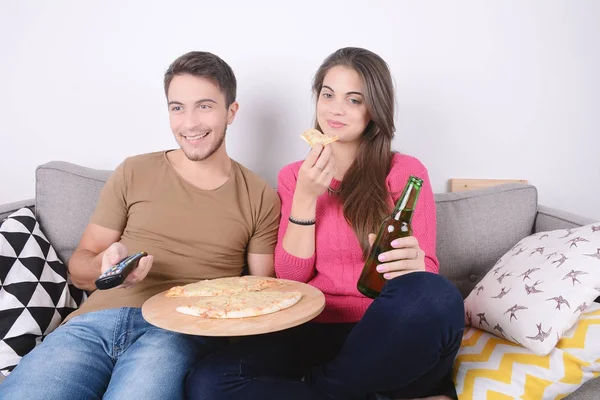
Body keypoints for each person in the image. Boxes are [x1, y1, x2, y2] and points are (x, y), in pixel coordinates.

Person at [186, 47, 465, 400]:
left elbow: (425, 274)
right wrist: (305, 196)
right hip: (313, 329)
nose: (335, 108)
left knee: (436, 295)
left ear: (374, 110)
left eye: (353, 100)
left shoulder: (405, 172)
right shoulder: (293, 177)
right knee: (208, 382)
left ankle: (325, 390)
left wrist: (415, 264)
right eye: (328, 94)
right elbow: (291, 279)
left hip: (388, 333)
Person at [0, 51, 281, 400]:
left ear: (231, 112)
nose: (189, 123)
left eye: (204, 106)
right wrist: (107, 270)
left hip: (178, 332)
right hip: (95, 323)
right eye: (177, 107)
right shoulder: (135, 171)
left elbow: (263, 293)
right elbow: (79, 268)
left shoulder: (259, 196)